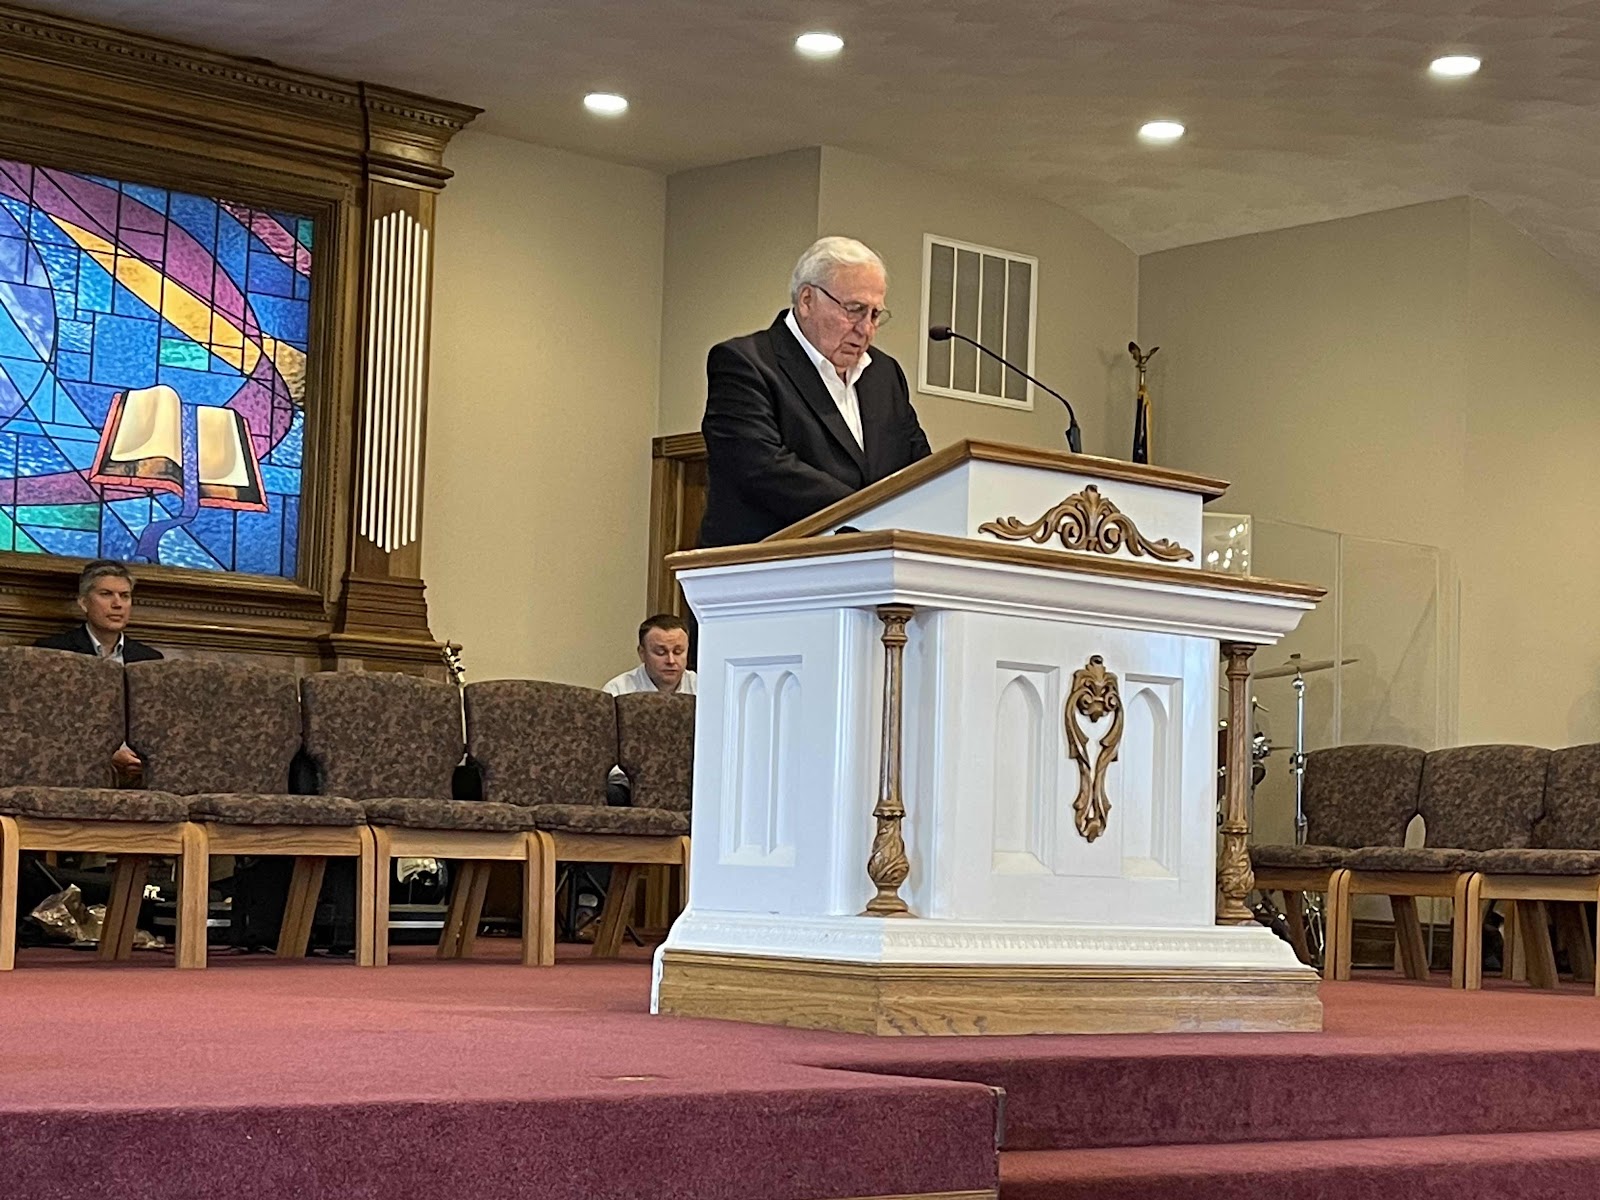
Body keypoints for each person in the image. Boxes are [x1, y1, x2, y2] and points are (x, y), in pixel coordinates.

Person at [699, 235, 932, 547]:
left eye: (875, 315)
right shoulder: (745, 363)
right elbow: (761, 468)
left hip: (872, 566)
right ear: (807, 300)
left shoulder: (884, 374)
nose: (866, 329)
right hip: (768, 563)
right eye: (855, 310)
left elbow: (920, 468)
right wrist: (870, 516)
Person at [35, 559, 163, 780]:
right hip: (74, 764)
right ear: (84, 602)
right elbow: (49, 724)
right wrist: (105, 754)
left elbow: (158, 725)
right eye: (106, 594)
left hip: (139, 768)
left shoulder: (150, 660)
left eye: (125, 596)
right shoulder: (53, 653)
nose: (117, 604)